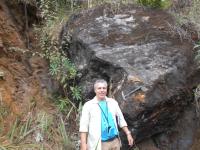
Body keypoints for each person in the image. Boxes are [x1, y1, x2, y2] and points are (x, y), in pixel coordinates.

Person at [79, 79, 134, 150]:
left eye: (104, 88)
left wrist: (128, 133)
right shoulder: (88, 105)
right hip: (99, 143)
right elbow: (84, 126)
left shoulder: (113, 102)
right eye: (99, 88)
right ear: (95, 90)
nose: (102, 90)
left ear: (106, 90)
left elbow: (121, 119)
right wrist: (83, 144)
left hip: (115, 141)